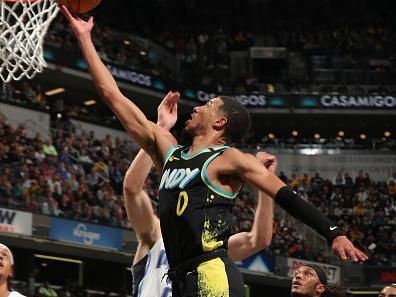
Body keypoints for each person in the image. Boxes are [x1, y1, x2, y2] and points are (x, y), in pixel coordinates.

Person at [61, 8, 367, 297]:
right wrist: (85, 38)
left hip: (211, 273)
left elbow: (285, 195)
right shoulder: (170, 152)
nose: (195, 108)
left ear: (220, 122)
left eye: (206, 106)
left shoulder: (229, 158)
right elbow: (112, 96)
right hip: (180, 277)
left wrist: (333, 233)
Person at [123, 93, 276, 297]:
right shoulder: (154, 235)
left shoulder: (205, 247)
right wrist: (159, 132)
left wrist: (265, 185)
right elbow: (131, 189)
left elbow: (258, 240)